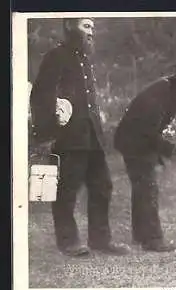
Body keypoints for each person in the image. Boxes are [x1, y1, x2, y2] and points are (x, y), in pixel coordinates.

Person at [30, 18, 130, 257]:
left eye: (93, 27)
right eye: (86, 26)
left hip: (92, 137)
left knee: (102, 187)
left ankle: (100, 240)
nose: (91, 32)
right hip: (69, 137)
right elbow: (41, 95)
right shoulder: (56, 56)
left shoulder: (85, 60)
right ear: (69, 27)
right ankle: (69, 242)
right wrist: (47, 132)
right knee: (67, 189)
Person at [114, 51, 176, 252]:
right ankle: (153, 239)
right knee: (148, 187)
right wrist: (174, 148)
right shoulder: (160, 92)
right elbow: (146, 132)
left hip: (139, 139)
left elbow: (156, 127)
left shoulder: (175, 89)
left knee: (142, 186)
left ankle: (140, 235)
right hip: (133, 141)